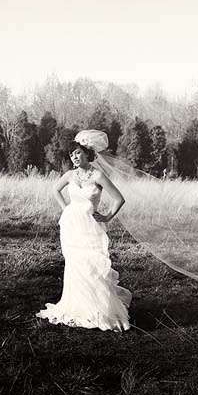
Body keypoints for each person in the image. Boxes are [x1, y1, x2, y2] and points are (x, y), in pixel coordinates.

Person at [36, 132, 132, 332]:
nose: (74, 157)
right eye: (72, 155)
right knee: (75, 264)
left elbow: (119, 199)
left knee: (91, 265)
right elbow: (55, 190)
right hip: (71, 225)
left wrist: (107, 217)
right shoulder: (70, 175)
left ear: (88, 154)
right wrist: (66, 208)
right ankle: (77, 305)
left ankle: (98, 308)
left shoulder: (98, 176)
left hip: (90, 226)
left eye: (78, 153)